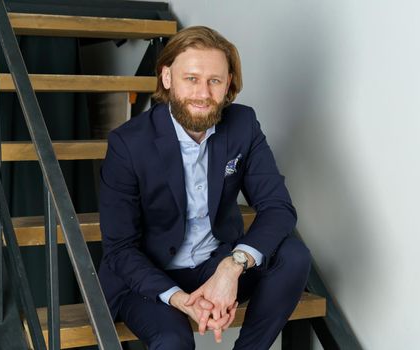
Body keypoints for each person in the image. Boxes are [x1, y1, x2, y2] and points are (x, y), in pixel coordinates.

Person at [98, 25, 311, 350]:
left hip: (216, 262)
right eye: (191, 78)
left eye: (215, 80)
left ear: (229, 85)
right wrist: (180, 300)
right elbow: (120, 249)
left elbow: (277, 208)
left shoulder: (242, 125)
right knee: (172, 341)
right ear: (167, 78)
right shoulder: (128, 144)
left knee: (294, 256)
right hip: (149, 276)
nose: (203, 93)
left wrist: (232, 266)